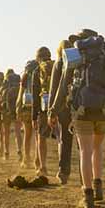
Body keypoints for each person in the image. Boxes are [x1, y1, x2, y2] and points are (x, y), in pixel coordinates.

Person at [51, 28, 105, 208]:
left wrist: (53, 109)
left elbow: (62, 85)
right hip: (104, 110)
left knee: (85, 151)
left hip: (82, 111)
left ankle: (87, 195)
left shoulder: (75, 57)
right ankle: (99, 189)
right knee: (97, 149)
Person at [48, 37, 78, 184]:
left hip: (63, 108)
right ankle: (87, 176)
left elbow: (54, 88)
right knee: (82, 143)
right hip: (79, 106)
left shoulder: (58, 63)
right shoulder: (78, 61)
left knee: (64, 141)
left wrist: (51, 111)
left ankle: (63, 173)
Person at [29, 46, 54, 177]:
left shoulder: (37, 71)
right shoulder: (57, 66)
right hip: (59, 107)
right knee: (61, 140)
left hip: (44, 109)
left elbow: (34, 96)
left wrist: (34, 117)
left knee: (41, 138)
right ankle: (62, 170)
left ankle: (43, 168)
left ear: (38, 58)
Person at [0, 68, 23, 161]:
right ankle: (19, 151)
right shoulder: (18, 85)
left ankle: (6, 153)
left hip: (6, 111)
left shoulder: (4, 86)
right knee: (18, 132)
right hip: (16, 110)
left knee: (6, 133)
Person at [16, 59, 37, 168]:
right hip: (38, 108)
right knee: (38, 136)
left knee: (27, 135)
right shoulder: (40, 74)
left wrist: (17, 109)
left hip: (27, 108)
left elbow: (20, 95)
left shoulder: (25, 77)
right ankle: (37, 161)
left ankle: (26, 158)